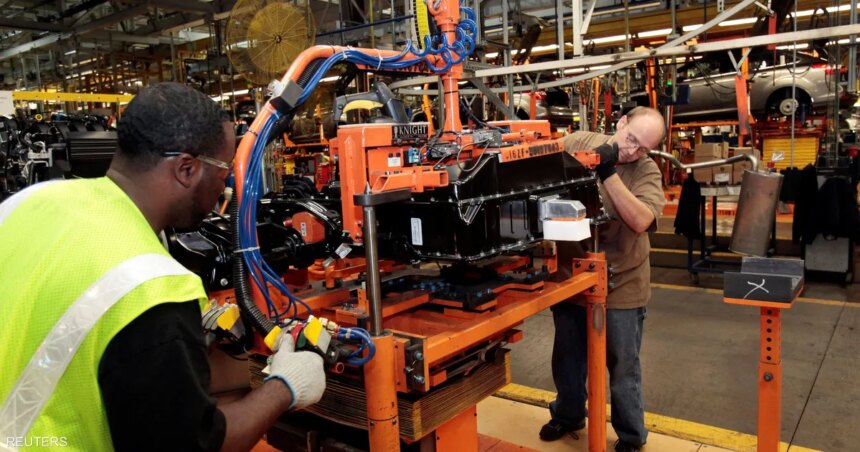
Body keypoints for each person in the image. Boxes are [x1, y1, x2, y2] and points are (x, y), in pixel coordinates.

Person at [0, 82, 325, 451]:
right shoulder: (152, 288)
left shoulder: (27, 203)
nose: (225, 188)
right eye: (224, 172)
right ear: (186, 169)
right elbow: (193, 443)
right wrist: (285, 386)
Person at [540, 107, 666, 452]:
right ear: (621, 122)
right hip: (572, 276)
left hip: (621, 283)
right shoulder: (577, 142)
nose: (632, 151)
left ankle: (631, 435)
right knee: (567, 357)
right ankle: (568, 415)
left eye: (643, 148)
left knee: (623, 365)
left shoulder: (646, 171)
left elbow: (641, 220)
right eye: (630, 139)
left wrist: (607, 171)